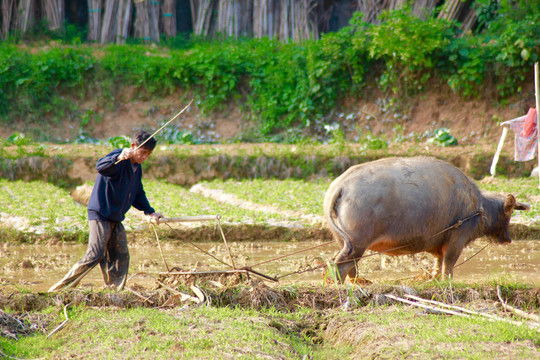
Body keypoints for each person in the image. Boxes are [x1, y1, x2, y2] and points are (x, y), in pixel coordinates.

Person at [49, 130, 163, 292]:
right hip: (101, 214)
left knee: (120, 255)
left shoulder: (137, 168)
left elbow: (138, 193)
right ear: (133, 146)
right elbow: (100, 166)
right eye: (142, 152)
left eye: (148, 154)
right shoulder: (119, 158)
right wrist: (118, 157)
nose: (144, 157)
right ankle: (60, 288)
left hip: (116, 217)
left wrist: (150, 212)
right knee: (95, 254)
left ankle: (113, 291)